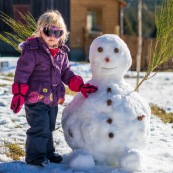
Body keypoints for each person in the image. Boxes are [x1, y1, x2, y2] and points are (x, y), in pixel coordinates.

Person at [10, 10, 98, 167]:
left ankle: (47, 152)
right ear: (40, 30)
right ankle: (35, 156)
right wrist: (18, 93)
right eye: (48, 30)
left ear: (62, 34)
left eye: (57, 32)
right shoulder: (32, 50)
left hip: (52, 98)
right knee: (40, 127)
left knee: (49, 126)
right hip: (35, 98)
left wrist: (80, 85)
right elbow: (22, 73)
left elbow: (66, 73)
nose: (52, 35)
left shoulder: (61, 53)